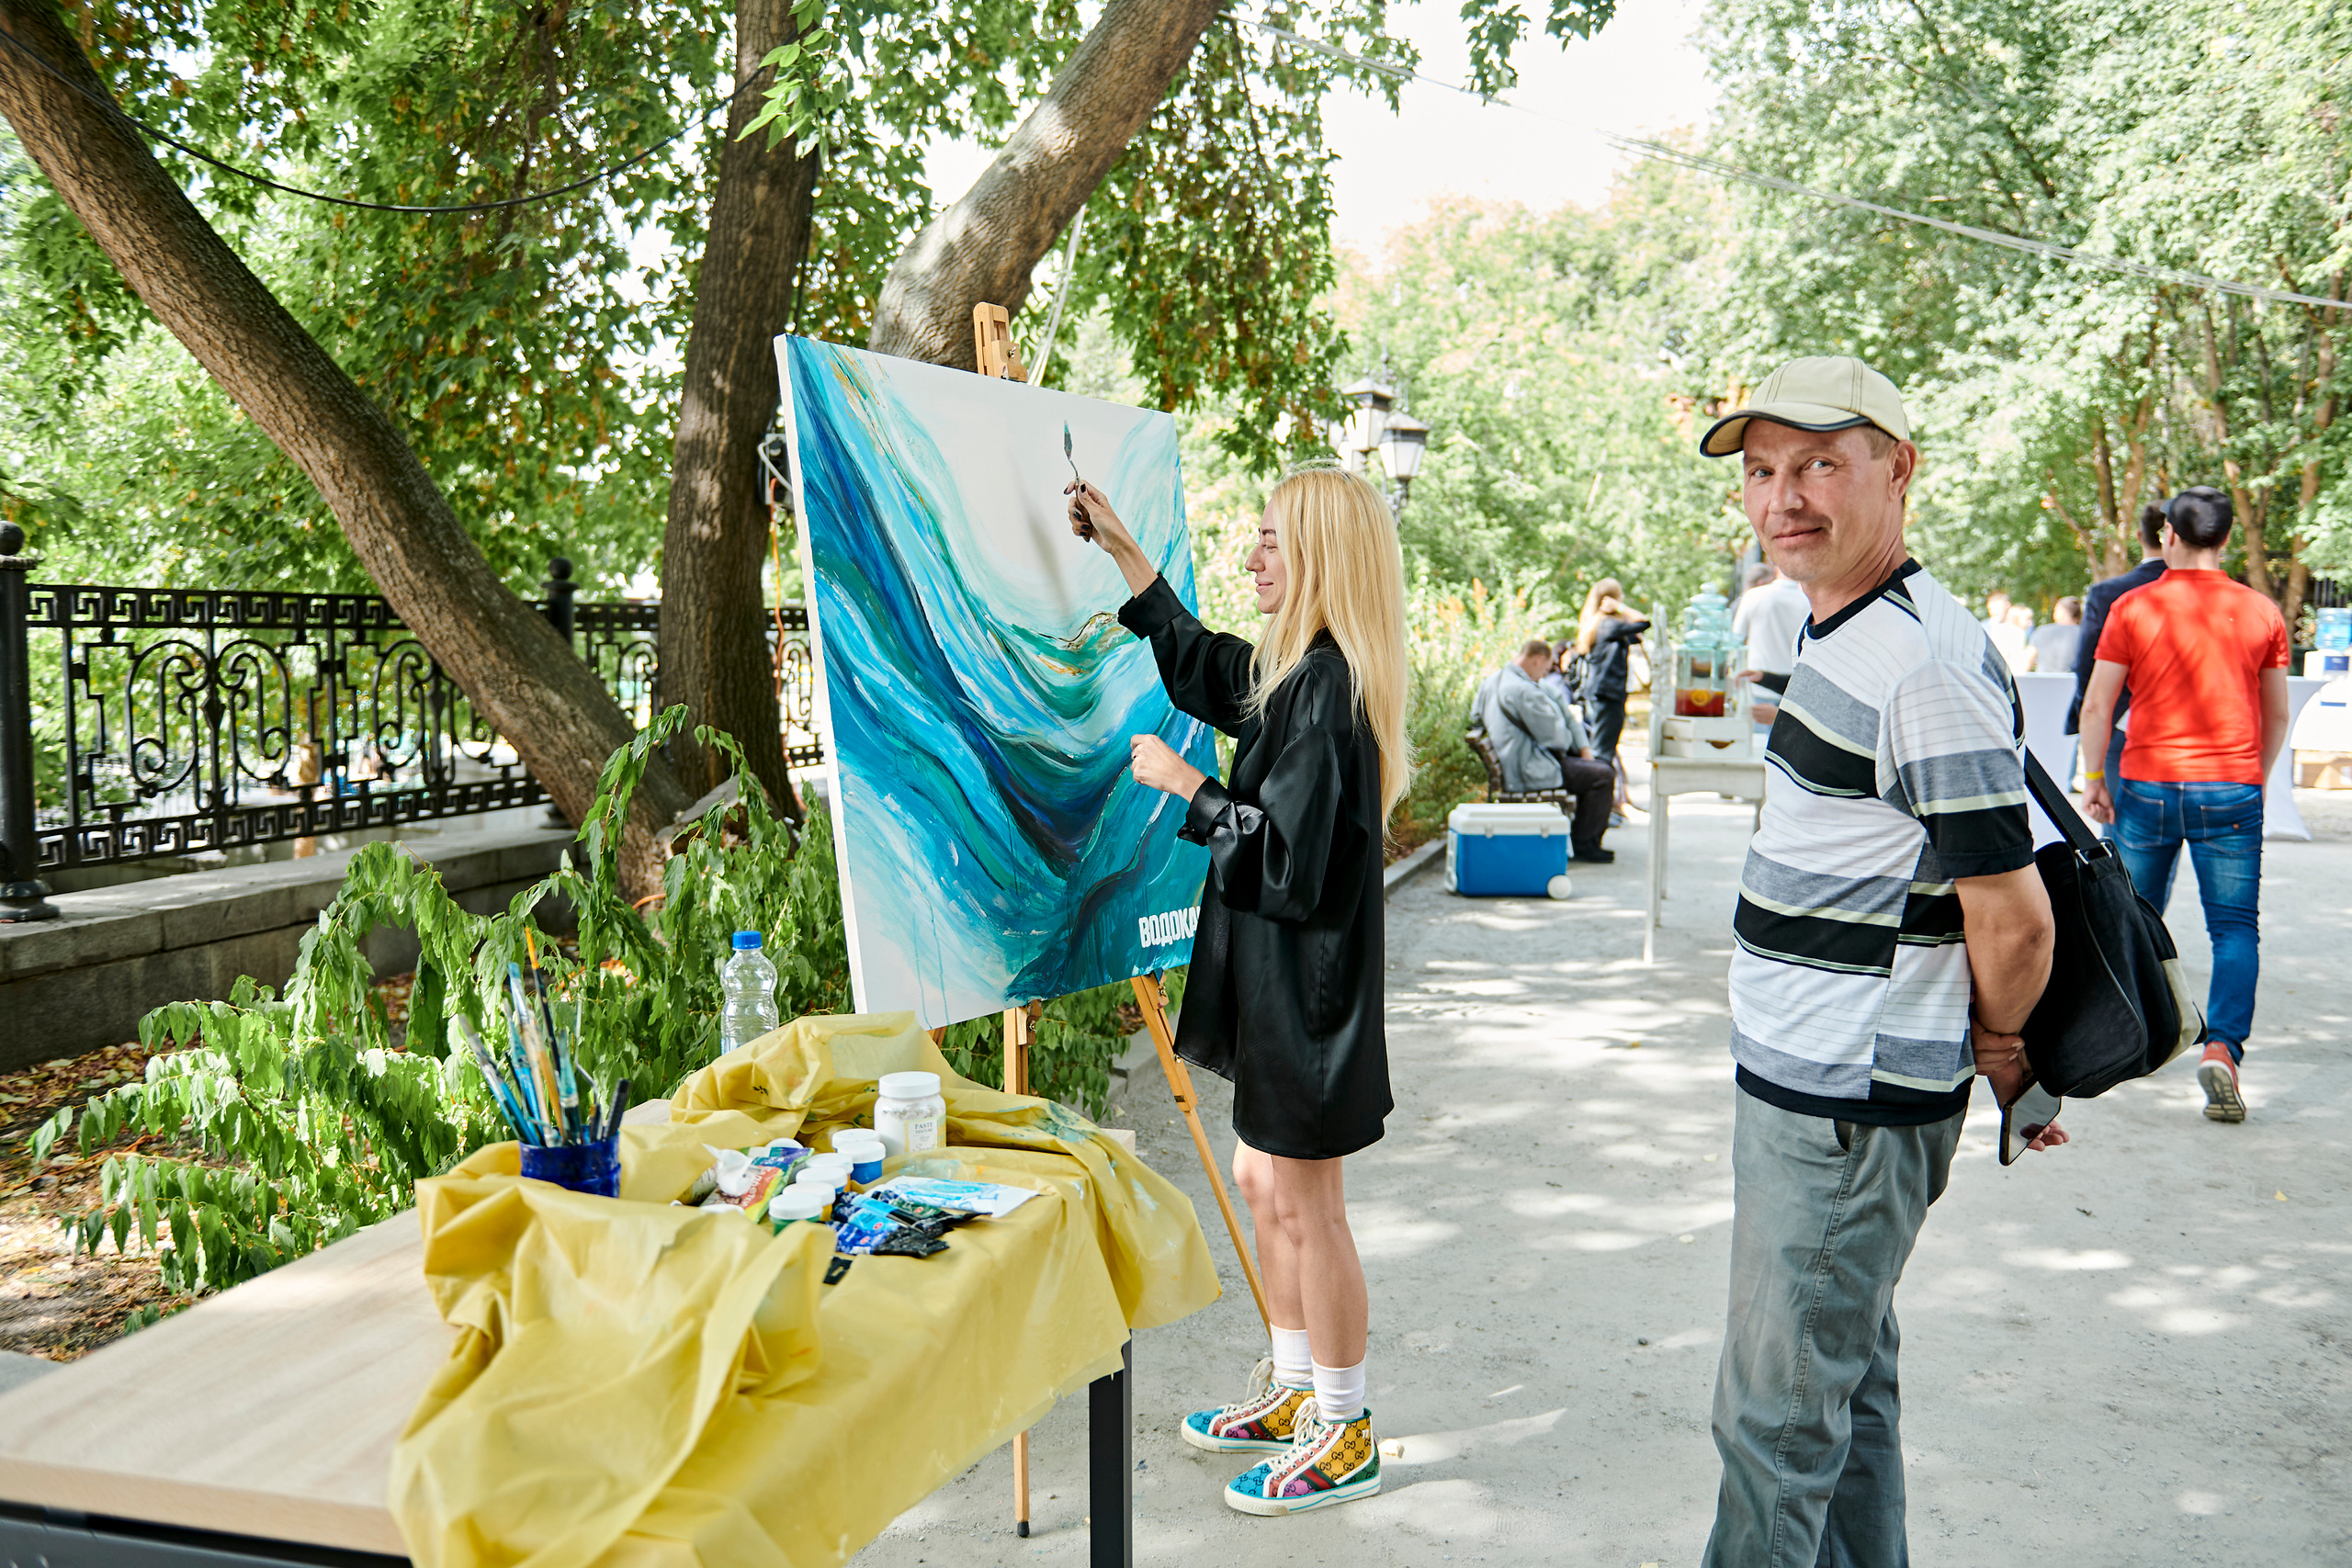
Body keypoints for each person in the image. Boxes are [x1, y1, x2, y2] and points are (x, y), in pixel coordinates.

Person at [1694, 355, 2064, 1567]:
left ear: (1897, 470)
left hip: (1844, 1108)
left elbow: (2012, 919)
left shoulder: (1922, 663)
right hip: (1819, 1088)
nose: (1781, 496)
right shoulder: (1843, 624)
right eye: (1762, 469)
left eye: (1819, 464)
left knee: (1772, 1422)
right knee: (1843, 1393)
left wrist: (2004, 1049)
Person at [1068, 464, 1407, 1517]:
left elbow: (1291, 867)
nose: (1251, 556)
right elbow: (1201, 666)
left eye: (1269, 540)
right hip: (1276, 991)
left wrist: (1193, 790)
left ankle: (1343, 1427)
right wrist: (1123, 549)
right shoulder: (1290, 671)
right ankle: (1297, 1385)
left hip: (1309, 1005)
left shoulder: (1328, 691)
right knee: (1264, 1188)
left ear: (1317, 555)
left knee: (1310, 1207)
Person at [2078, 487, 2290, 1124]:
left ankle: (2131, 1030)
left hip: (2146, 784)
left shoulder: (2133, 606)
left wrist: (2094, 777)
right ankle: (2222, 1047)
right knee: (2233, 927)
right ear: (2225, 540)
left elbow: (2097, 705)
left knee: (2135, 912)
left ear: (2168, 534)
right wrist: (2253, 775)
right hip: (2232, 786)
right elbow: (2274, 711)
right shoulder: (2261, 611)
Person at [1476, 638, 1616, 862]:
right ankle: (1585, 843)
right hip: (1528, 770)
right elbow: (1557, 739)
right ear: (1539, 659)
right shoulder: (1524, 690)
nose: (1544, 674)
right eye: (1546, 667)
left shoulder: (1491, 681)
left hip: (1514, 763)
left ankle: (1582, 839)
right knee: (1603, 775)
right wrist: (1572, 739)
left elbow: (1475, 719)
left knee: (1596, 769)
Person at [2066, 503, 2170, 802]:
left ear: (2139, 535)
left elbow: (2085, 664)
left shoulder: (2109, 592)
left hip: (2121, 719)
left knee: (2121, 828)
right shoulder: (2212, 596)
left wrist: (2091, 718)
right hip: (2191, 729)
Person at [1575, 578, 1651, 816]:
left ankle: (1603, 810)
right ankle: (1598, 813)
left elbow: (1636, 637)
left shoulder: (1602, 625)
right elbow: (1643, 622)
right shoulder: (1608, 624)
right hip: (1607, 695)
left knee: (1603, 751)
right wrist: (1620, 609)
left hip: (1602, 694)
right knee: (1602, 756)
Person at [1731, 560, 1810, 727]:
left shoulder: (1753, 596)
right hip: (1795, 690)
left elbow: (1736, 639)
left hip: (1757, 686)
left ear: (1775, 570)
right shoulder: (1809, 601)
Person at [2030, 595, 2083, 676]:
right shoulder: (2083, 634)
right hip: (2071, 684)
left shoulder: (2042, 631)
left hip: (2043, 683)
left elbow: (2028, 659)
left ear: (2061, 612)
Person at [1985, 596, 2031, 672]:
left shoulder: (1997, 629)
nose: (2030, 623)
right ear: (2017, 618)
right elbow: (2017, 663)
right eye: (2027, 619)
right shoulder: (2018, 633)